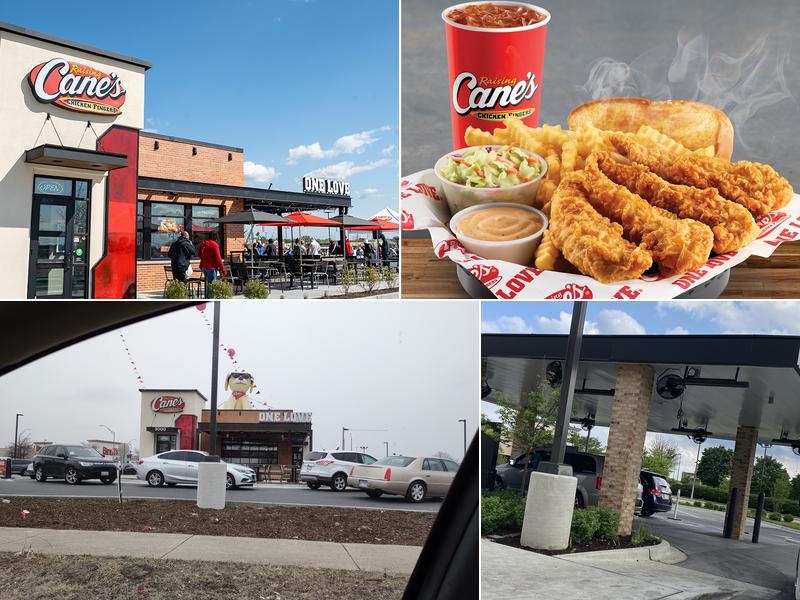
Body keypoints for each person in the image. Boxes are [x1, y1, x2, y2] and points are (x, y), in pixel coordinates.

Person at [198, 232, 226, 298]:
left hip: (204, 267)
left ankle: (206, 298)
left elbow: (199, 254)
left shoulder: (203, 243)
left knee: (207, 284)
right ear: (216, 237)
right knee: (212, 286)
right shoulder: (214, 245)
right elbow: (218, 258)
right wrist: (223, 269)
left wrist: (204, 259)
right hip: (212, 267)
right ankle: (210, 300)